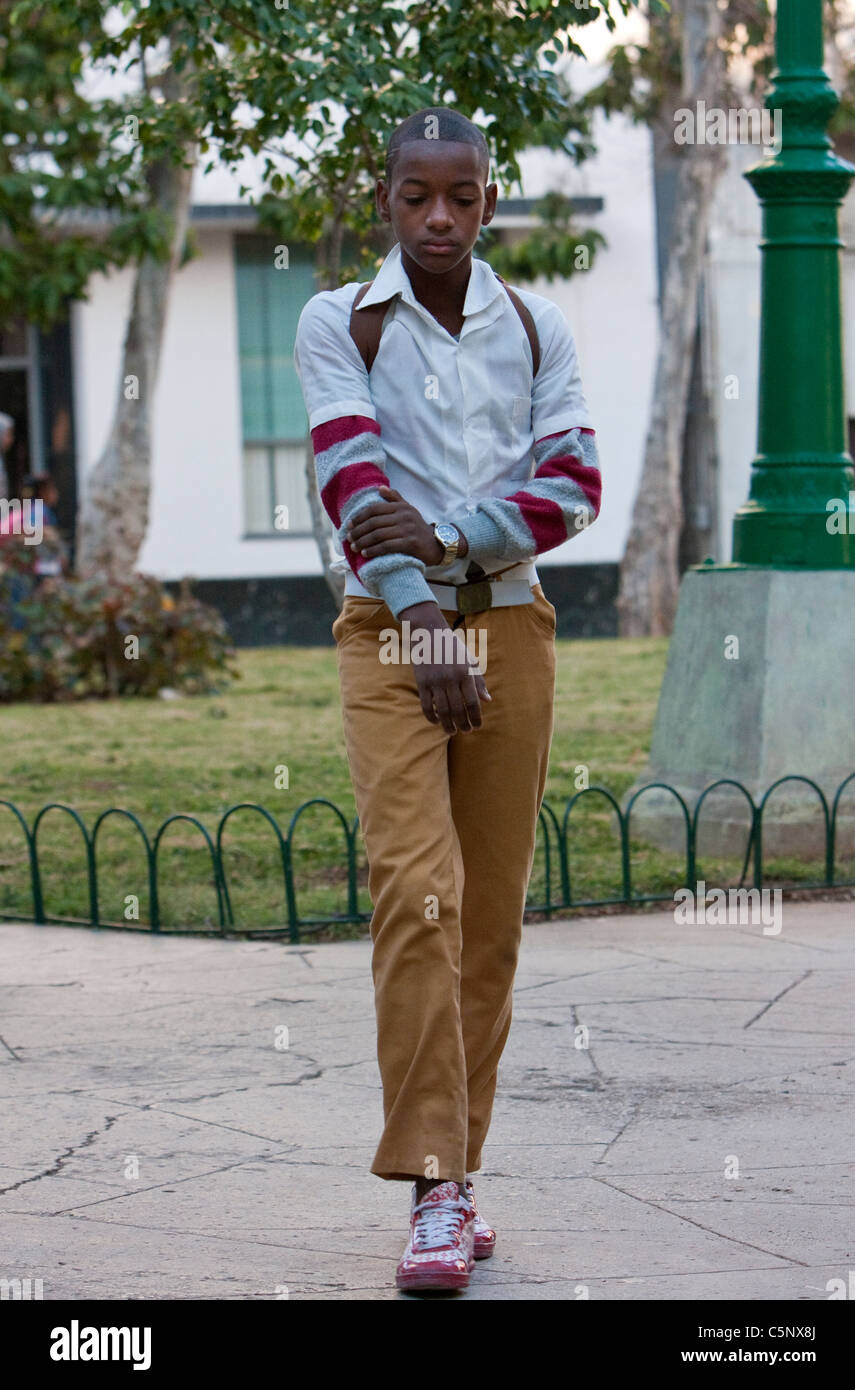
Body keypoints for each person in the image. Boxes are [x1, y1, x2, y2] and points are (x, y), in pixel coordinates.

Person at [293, 107, 602, 1294]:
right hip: (388, 633)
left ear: (486, 201)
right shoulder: (340, 321)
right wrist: (420, 605)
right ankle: (432, 1188)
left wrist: (454, 540)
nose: (436, 216)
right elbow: (345, 472)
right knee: (416, 892)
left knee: (486, 919)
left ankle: (458, 1170)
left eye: (458, 196)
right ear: (386, 199)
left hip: (512, 623)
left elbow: (572, 483)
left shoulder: (535, 324)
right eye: (414, 195)